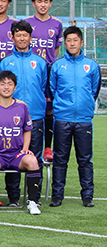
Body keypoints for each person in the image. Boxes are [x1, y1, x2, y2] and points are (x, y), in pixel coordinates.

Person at [49, 26, 100, 208]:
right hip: (62, 118)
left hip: (84, 120)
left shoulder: (91, 65)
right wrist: (64, 106)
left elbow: (94, 90)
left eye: (75, 40)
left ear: (81, 42)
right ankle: (57, 195)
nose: (72, 43)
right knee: (60, 158)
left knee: (85, 159)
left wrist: (84, 106)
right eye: (69, 40)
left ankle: (87, 195)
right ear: (65, 43)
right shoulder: (57, 66)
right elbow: (53, 89)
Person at [0, 70, 42, 215]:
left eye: (10, 84)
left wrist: (25, 148)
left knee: (33, 161)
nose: (6, 87)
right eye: (2, 84)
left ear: (15, 87)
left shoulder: (22, 106)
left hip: (16, 154)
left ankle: (32, 202)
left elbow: (27, 129)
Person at [0, 20, 47, 206]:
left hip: (35, 116)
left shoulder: (40, 62)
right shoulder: (5, 62)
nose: (21, 38)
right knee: (12, 156)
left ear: (30, 38)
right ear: (12, 37)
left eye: (24, 35)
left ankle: (34, 197)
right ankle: (13, 196)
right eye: (18, 35)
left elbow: (43, 86)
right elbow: (2, 87)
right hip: (10, 118)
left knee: (35, 156)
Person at [25, 0, 63, 163]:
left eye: (46, 1)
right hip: (31, 70)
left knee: (50, 109)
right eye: (39, 1)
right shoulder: (26, 22)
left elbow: (55, 50)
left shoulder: (57, 24)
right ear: (33, 3)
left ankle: (48, 147)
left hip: (48, 70)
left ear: (50, 3)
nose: (42, 4)